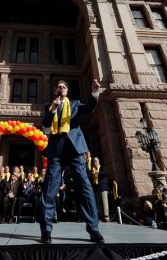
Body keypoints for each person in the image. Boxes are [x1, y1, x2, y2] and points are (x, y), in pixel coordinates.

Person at [38, 79, 104, 244]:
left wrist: (95, 94)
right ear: (55, 91)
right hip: (56, 151)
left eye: (64, 87)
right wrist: (53, 108)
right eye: (58, 87)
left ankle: (94, 229)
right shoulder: (50, 106)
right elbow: (45, 122)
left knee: (84, 187)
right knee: (49, 189)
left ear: (67, 90)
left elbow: (89, 108)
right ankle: (46, 230)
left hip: (75, 150)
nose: (61, 89)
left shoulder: (75, 105)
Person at [91, 157, 110, 222]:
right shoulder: (92, 169)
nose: (95, 162)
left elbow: (104, 173)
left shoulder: (102, 167)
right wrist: (93, 174)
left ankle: (106, 216)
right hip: (97, 188)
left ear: (98, 162)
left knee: (105, 202)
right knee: (98, 203)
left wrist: (97, 172)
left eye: (96, 161)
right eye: (94, 161)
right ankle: (101, 216)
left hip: (103, 187)